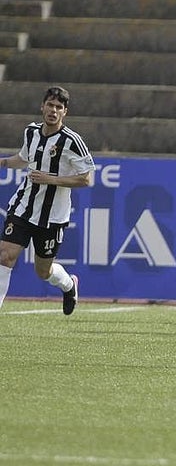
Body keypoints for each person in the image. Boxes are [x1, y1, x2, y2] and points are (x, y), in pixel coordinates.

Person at [0, 86, 95, 313]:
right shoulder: (31, 132)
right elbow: (23, 158)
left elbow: (87, 179)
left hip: (52, 217)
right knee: (5, 255)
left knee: (43, 271)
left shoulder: (72, 141)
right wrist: (3, 163)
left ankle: (69, 285)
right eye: (50, 105)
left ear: (65, 113)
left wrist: (50, 179)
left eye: (59, 107)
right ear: (42, 106)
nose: (53, 110)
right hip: (23, 207)